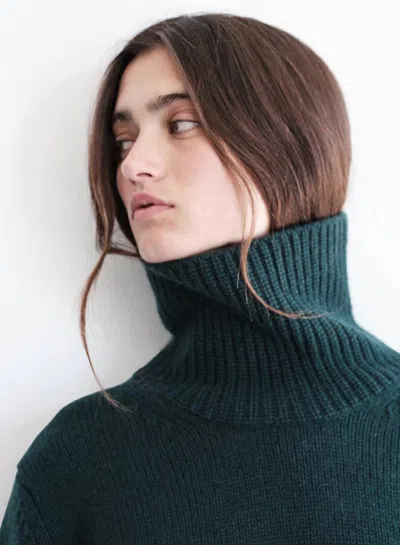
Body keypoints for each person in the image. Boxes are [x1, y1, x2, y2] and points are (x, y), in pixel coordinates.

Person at [1, 12, 400, 544]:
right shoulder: (79, 462)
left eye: (181, 124)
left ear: (292, 144)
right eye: (123, 140)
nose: (133, 166)